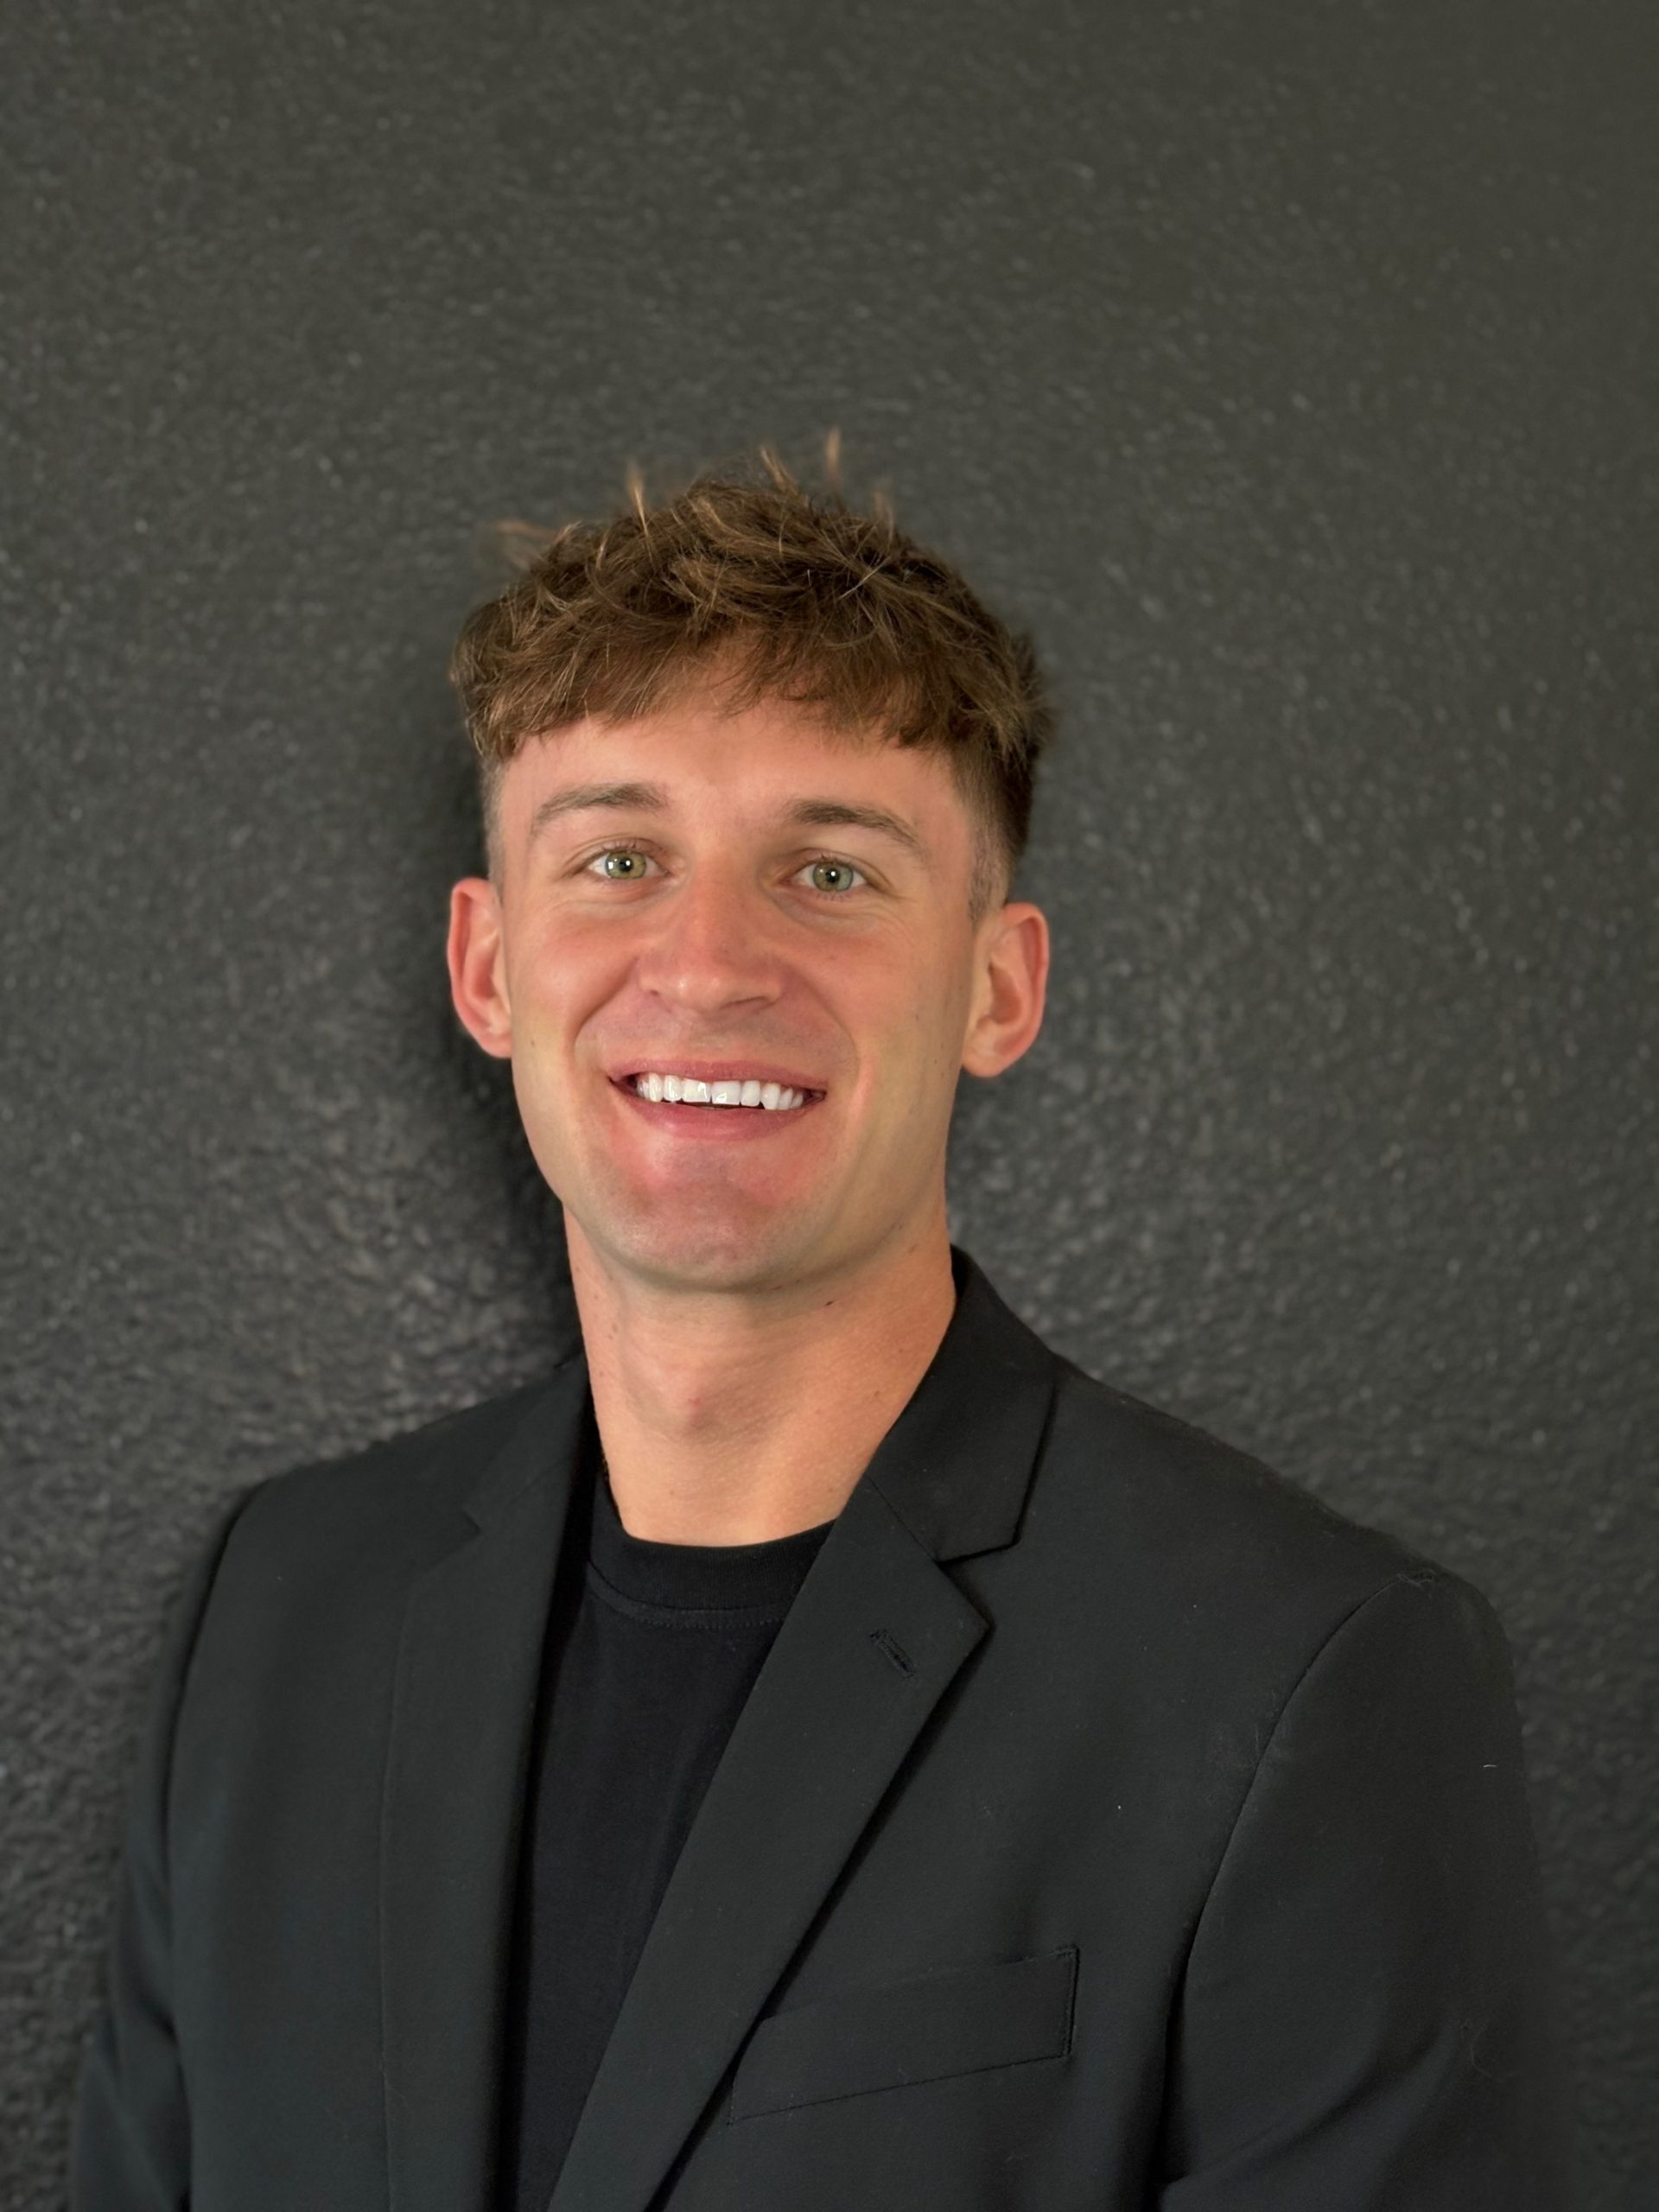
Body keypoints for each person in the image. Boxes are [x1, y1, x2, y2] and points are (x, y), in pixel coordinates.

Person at [72, 451, 1568, 2211]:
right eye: (618, 857)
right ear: (487, 968)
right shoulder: (276, 1616)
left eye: (833, 872)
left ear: (998, 986)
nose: (708, 962)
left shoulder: (1304, 1679)